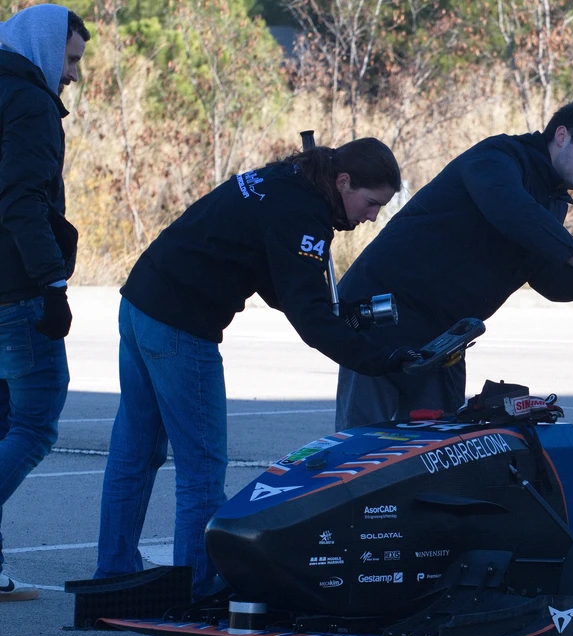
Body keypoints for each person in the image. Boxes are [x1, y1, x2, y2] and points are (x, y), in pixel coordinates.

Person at [94, 138, 417, 600]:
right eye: (371, 204)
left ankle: (112, 573)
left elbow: (278, 279)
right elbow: (307, 314)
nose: (371, 217)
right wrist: (376, 360)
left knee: (135, 454)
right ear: (343, 181)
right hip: (180, 324)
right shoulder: (303, 213)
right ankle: (198, 587)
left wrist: (342, 317)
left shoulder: (288, 178)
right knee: (202, 467)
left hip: (140, 303)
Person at [334, 100, 573, 430]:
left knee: (439, 446)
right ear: (562, 136)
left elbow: (548, 278)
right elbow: (509, 207)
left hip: (442, 335)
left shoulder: (552, 201)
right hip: (382, 313)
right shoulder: (497, 157)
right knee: (360, 444)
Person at [0, 4, 89, 602]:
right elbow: (22, 202)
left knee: (4, 427)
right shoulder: (30, 103)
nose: (74, 74)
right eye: (71, 58)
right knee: (33, 426)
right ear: (43, 46)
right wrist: (52, 284)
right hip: (17, 291)